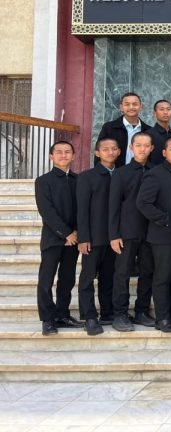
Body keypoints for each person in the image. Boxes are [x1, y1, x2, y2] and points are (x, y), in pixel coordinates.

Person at [136, 136, 171, 333]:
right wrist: (165, 220)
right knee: (162, 278)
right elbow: (143, 203)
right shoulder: (155, 174)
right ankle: (163, 318)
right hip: (162, 236)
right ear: (164, 153)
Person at [35, 141, 83, 336]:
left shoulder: (78, 180)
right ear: (51, 156)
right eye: (59, 152)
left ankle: (62, 314)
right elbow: (46, 211)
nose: (64, 155)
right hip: (53, 238)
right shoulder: (43, 181)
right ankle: (48, 319)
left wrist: (77, 231)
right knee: (46, 280)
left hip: (74, 239)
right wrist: (66, 233)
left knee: (67, 279)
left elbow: (82, 209)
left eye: (67, 152)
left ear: (73, 156)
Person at [109, 132, 155, 332]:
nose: (142, 149)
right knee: (122, 273)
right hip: (126, 233)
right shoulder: (121, 173)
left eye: (146, 146)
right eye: (138, 145)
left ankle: (141, 311)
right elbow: (113, 206)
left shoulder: (156, 171)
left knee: (147, 272)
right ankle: (120, 313)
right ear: (131, 148)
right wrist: (113, 234)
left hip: (151, 232)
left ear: (152, 148)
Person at [77, 138, 120, 336]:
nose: (110, 152)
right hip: (93, 238)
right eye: (105, 149)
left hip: (115, 237)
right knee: (88, 278)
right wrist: (83, 237)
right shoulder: (87, 177)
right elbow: (82, 210)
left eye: (114, 149)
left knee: (108, 276)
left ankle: (107, 312)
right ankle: (89, 316)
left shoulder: (121, 174)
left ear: (119, 152)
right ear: (97, 153)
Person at [94, 92, 150, 167]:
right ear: (121, 107)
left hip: (142, 171)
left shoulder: (148, 130)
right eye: (127, 104)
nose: (131, 107)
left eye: (135, 104)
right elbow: (100, 151)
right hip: (115, 171)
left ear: (141, 107)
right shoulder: (109, 128)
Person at [147, 99, 171, 166]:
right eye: (161, 109)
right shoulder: (148, 135)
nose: (165, 112)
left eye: (168, 109)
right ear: (154, 113)